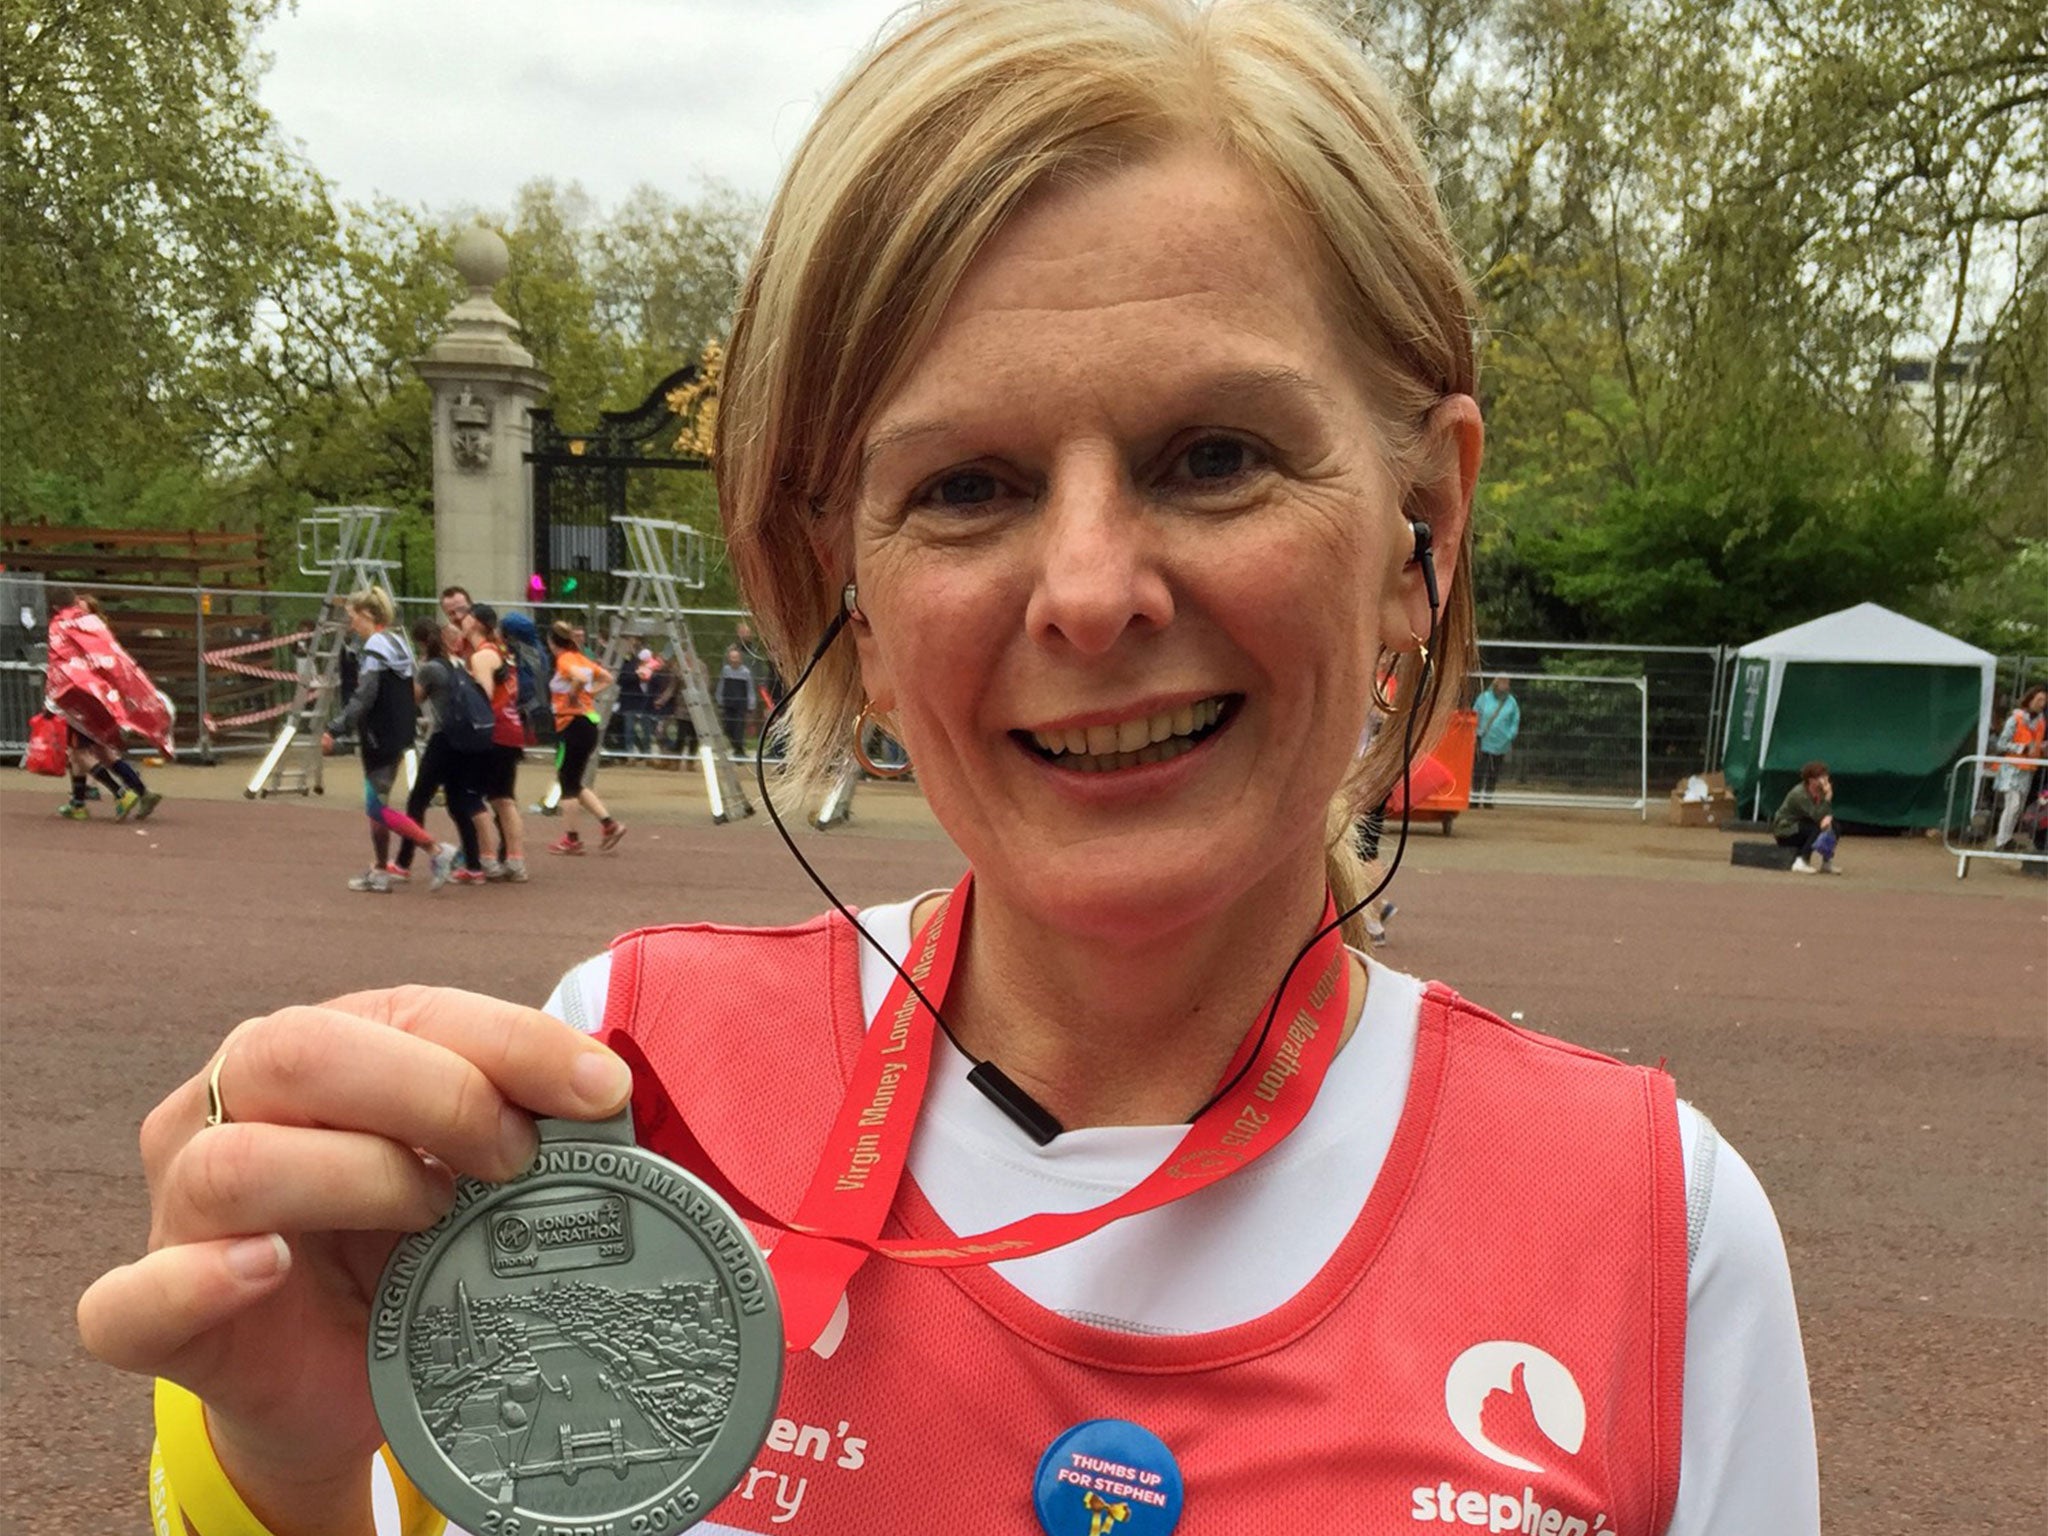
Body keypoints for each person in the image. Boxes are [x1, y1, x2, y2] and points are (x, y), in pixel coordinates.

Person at [78, 5, 1818, 1533]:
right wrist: (293, 1478)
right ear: (848, 586)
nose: (1086, 590)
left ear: (1415, 520)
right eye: (966, 487)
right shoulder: (624, 1089)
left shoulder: (1653, 1234)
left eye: (1212, 455)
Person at [319, 587, 454, 893]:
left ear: (367, 615)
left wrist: (337, 727)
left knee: (377, 807)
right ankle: (380, 869)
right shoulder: (397, 642)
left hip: (379, 734)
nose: (351, 622)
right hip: (394, 731)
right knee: (375, 803)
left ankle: (434, 849)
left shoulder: (376, 646)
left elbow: (365, 694)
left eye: (353, 616)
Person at [45, 592, 169, 821]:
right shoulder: (96, 628)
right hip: (102, 695)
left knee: (80, 753)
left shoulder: (63, 627)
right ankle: (131, 793)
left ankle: (120, 793)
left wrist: (51, 702)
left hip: (82, 698)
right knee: (101, 751)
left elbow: (63, 667)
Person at [386, 621, 491, 887]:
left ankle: (403, 862)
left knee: (417, 801)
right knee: (458, 803)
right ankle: (474, 866)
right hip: (466, 740)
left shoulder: (431, 668)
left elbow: (413, 700)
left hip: (444, 738)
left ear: (422, 643)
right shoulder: (456, 664)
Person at [460, 603, 529, 882]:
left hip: (493, 732)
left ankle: (487, 857)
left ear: (475, 622)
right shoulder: (502, 650)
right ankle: (515, 859)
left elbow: (484, 696)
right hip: (511, 729)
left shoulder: (483, 655)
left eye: (466, 617)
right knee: (504, 799)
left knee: (472, 797)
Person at [546, 620, 626, 853]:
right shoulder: (580, 658)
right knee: (575, 782)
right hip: (587, 724)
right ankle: (609, 824)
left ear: (552, 642)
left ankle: (572, 839)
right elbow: (607, 678)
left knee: (567, 784)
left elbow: (579, 679)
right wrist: (589, 693)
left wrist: (574, 696)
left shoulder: (565, 660)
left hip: (571, 723)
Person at [1990, 683, 2046, 851]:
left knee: (2018, 807)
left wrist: (2040, 748)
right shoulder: (2016, 718)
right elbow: (2002, 743)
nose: (2042, 703)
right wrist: (2022, 748)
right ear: (2030, 699)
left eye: (2044, 700)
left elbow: (2036, 744)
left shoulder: (2040, 721)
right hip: (2012, 769)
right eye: (2039, 699)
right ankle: (2001, 841)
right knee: (2012, 805)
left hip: (2027, 770)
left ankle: (2006, 839)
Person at [1772, 760, 1839, 874]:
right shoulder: (1799, 794)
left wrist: (1828, 818)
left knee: (1835, 827)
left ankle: (1826, 863)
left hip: (1802, 825)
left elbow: (1824, 814)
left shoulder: (1820, 790)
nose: (1825, 779)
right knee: (1816, 828)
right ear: (1811, 780)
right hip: (1785, 830)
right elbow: (1817, 816)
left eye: (1826, 775)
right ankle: (1801, 861)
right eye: (1821, 777)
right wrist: (1828, 798)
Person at [1472, 674, 1519, 807]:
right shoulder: (1484, 698)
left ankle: (1488, 799)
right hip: (1483, 741)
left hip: (1501, 744)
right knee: (1479, 770)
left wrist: (1509, 736)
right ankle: (1475, 798)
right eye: (1502, 683)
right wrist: (1476, 731)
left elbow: (1515, 721)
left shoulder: (1511, 702)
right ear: (1496, 684)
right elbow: (1475, 714)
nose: (1505, 686)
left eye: (1507, 683)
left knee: (1494, 772)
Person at [718, 643, 754, 756]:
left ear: (740, 659)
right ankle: (736, 748)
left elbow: (750, 689)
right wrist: (719, 700)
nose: (734, 660)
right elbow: (721, 686)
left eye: (736, 657)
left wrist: (751, 705)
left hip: (740, 705)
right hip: (728, 704)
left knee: (739, 728)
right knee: (727, 727)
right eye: (732, 657)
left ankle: (740, 750)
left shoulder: (745, 673)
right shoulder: (726, 671)